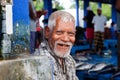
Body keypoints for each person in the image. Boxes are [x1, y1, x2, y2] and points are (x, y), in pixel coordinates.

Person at [34, 11, 78, 80]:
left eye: (70, 34)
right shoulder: (41, 61)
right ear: (47, 32)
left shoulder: (69, 60)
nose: (65, 39)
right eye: (59, 33)